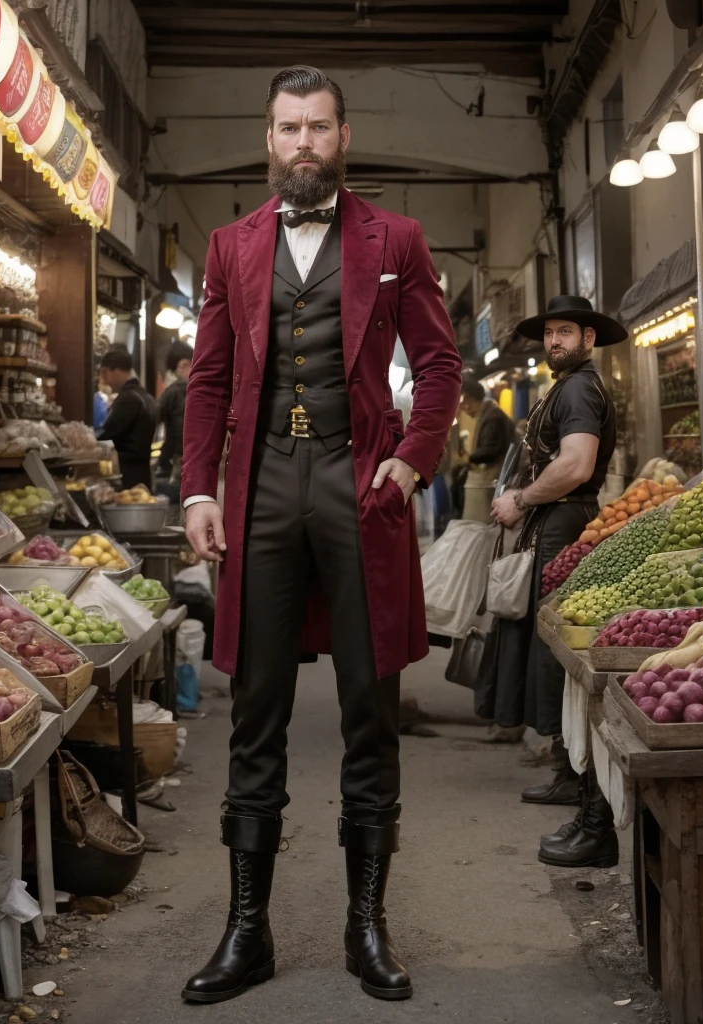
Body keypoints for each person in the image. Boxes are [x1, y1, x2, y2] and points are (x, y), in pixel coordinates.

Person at [180, 65, 462, 1005]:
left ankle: (366, 927)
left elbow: (437, 361)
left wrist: (415, 459)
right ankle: (246, 932)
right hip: (259, 487)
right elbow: (210, 383)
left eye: (318, 127)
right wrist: (196, 494)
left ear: (343, 137)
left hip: (359, 485)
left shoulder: (399, 239)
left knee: (369, 710)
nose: (303, 142)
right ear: (268, 139)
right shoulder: (229, 247)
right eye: (288, 128)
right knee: (253, 711)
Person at [489, 295, 626, 869]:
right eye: (550, 333)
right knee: (545, 643)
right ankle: (567, 769)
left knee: (557, 650)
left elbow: (575, 464)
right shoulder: (566, 387)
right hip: (554, 520)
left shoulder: (578, 389)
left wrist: (520, 498)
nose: (555, 343)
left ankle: (577, 778)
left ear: (588, 339)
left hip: (562, 519)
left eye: (566, 333)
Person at [97, 348, 157, 489]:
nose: (104, 380)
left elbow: (107, 433)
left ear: (116, 370)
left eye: (104, 372)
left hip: (128, 477)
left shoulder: (129, 398)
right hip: (143, 475)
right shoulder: (146, 396)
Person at [458, 380, 514, 522]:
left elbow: (489, 450)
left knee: (480, 525)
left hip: (489, 480)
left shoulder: (492, 416)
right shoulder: (489, 413)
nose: (463, 407)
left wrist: (469, 458)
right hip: (493, 477)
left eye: (463, 402)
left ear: (470, 399)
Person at [157, 343, 193, 483]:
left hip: (178, 463)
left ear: (183, 365)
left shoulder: (173, 392)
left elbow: (154, 420)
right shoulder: (209, 390)